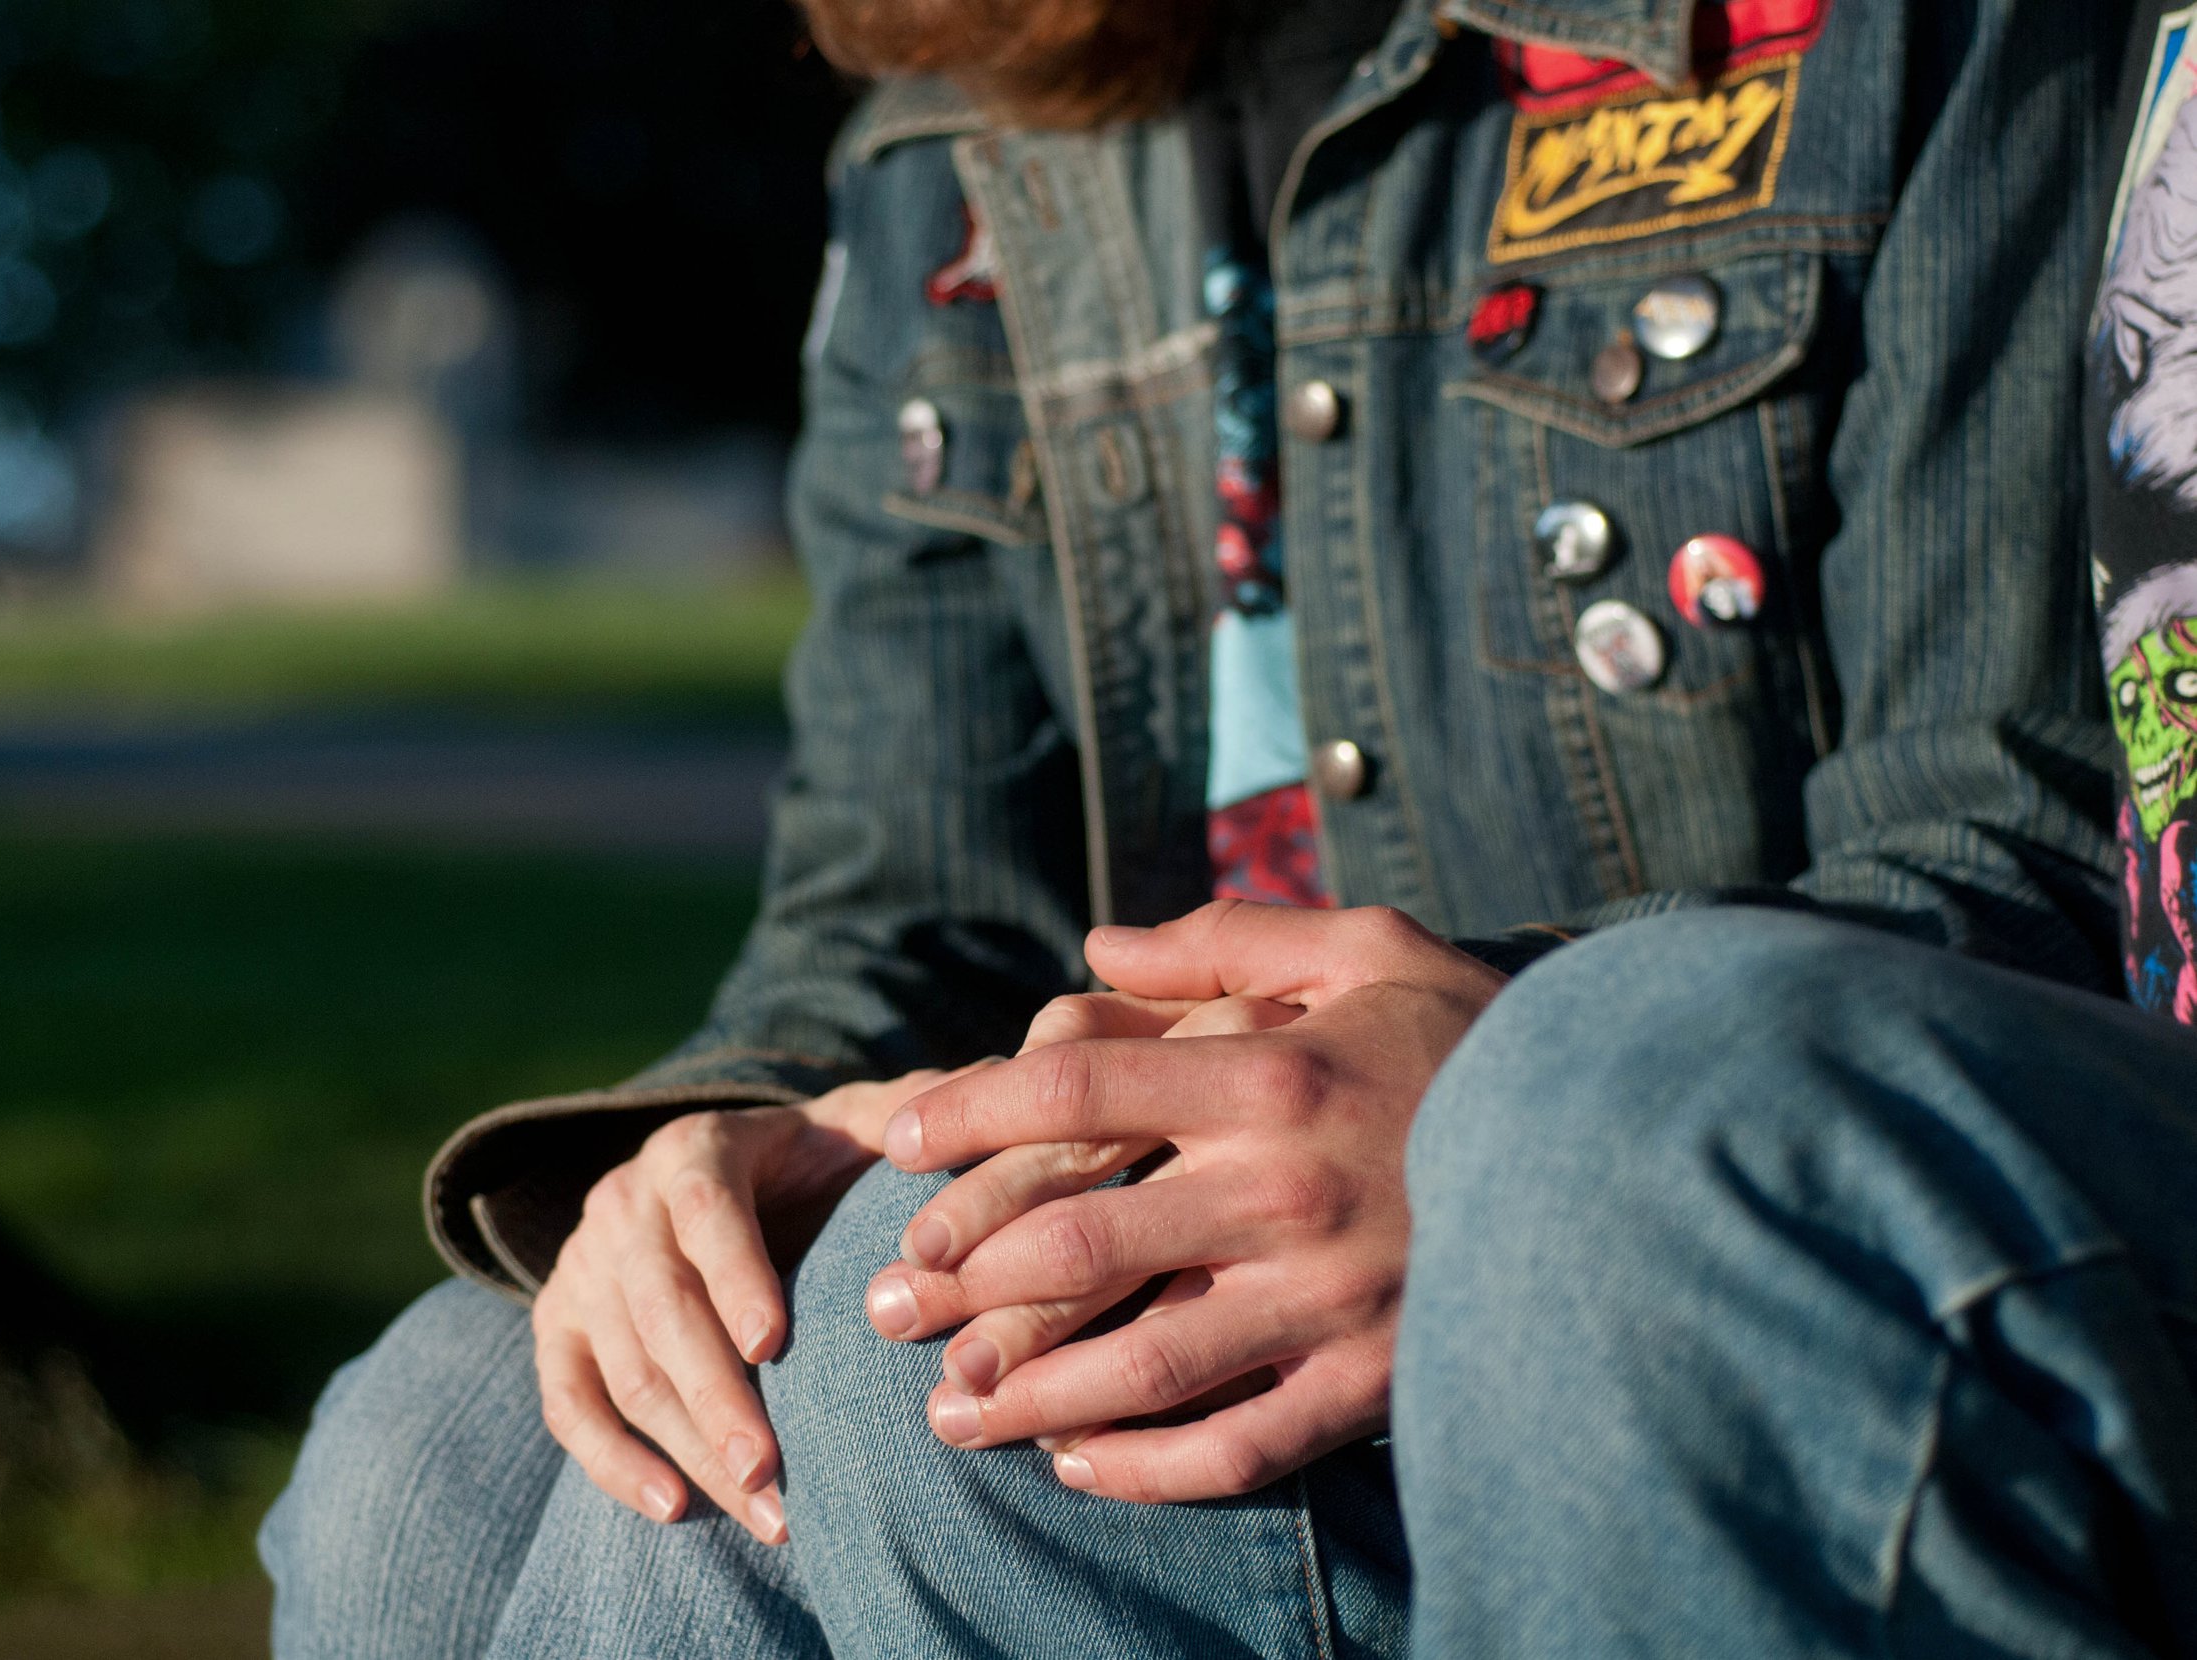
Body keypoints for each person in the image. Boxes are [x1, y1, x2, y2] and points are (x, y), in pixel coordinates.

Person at [261, 0, 2197, 1654]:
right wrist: (731, 1145)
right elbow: (904, 910)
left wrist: (1480, 1063)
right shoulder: (945, 121)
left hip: (1681, 1179)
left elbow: (2030, 850)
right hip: (1285, 1200)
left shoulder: (1880, 39)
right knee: (432, 1440)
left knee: (916, 1393)